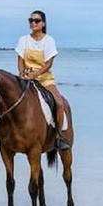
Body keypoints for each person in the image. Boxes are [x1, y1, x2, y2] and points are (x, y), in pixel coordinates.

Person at [15, 10, 71, 151]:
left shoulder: (49, 40)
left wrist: (36, 75)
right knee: (6, 96)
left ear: (43, 23)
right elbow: (20, 60)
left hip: (45, 79)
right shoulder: (23, 40)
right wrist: (22, 73)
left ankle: (59, 136)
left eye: (37, 20)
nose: (33, 23)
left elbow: (48, 64)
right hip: (26, 77)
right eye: (31, 20)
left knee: (59, 103)